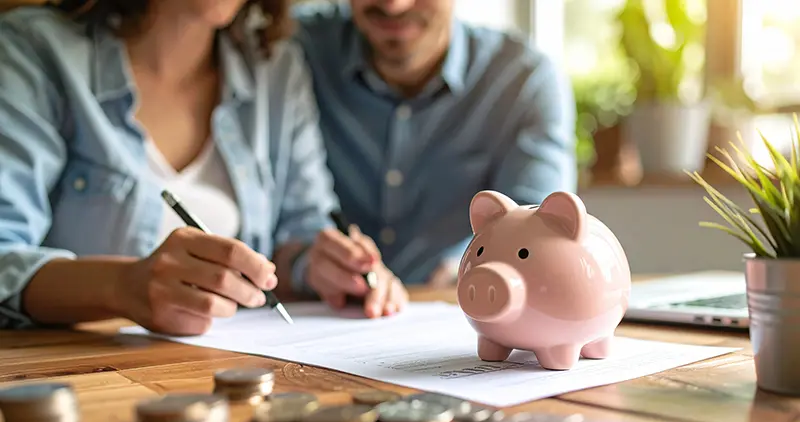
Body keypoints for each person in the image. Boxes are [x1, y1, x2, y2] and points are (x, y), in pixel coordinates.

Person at [0, 0, 407, 335]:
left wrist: (322, 266)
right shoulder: (33, 50)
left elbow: (299, 227)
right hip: (78, 380)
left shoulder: (274, 67)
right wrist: (122, 287)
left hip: (227, 369)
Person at [292, 0, 578, 286]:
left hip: (460, 305)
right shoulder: (292, 52)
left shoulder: (522, 81)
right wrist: (309, 263)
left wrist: (469, 267)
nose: (394, 5)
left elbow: (538, 234)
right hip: (327, 309)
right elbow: (286, 227)